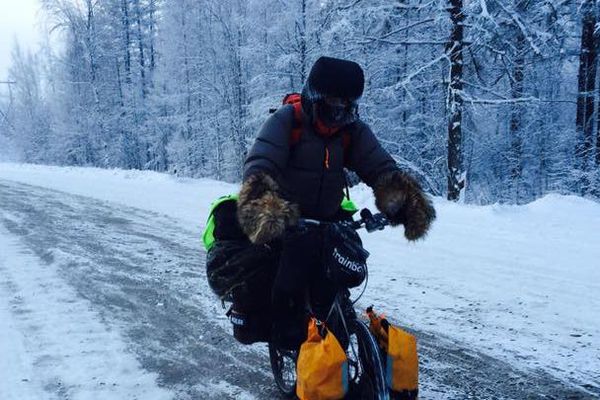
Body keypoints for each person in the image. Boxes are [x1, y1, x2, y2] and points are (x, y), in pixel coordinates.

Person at [236, 56, 436, 348]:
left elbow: (378, 166)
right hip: (289, 219)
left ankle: (338, 338)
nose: (340, 111)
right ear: (315, 98)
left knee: (345, 271)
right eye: (333, 102)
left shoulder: (351, 131)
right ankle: (287, 340)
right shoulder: (286, 122)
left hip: (330, 218)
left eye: (347, 104)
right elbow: (261, 163)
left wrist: (405, 202)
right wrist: (266, 208)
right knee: (289, 281)